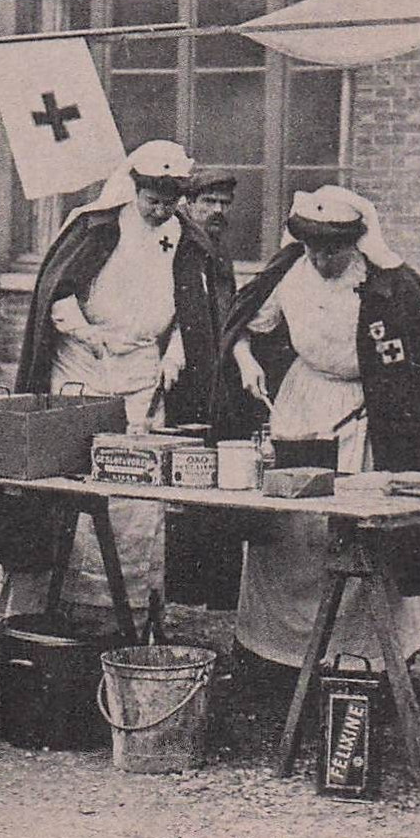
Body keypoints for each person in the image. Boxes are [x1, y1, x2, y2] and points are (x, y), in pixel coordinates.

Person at [219, 185, 420, 669]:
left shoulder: (387, 286)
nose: (322, 258)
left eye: (333, 248)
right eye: (313, 247)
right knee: (293, 532)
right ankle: (276, 654)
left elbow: (419, 367)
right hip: (301, 403)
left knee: (355, 531)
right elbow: (247, 326)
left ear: (355, 243)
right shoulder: (289, 273)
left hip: (367, 414)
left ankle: (359, 658)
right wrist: (246, 361)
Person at [7, 140, 219, 628]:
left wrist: (175, 353)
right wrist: (89, 334)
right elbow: (57, 296)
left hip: (143, 368)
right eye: (152, 199)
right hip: (82, 362)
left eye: (170, 201)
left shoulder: (185, 239)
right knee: (71, 471)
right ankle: (55, 604)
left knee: (135, 476)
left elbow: (196, 311)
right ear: (133, 187)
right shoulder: (94, 226)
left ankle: (125, 607)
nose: (160, 209)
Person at [166, 166, 245, 610]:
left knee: (215, 472)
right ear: (187, 203)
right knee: (185, 469)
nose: (217, 210)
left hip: (214, 375)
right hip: (181, 376)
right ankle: (183, 583)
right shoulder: (178, 246)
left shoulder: (217, 250)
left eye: (224, 204)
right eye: (208, 202)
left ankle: (211, 586)